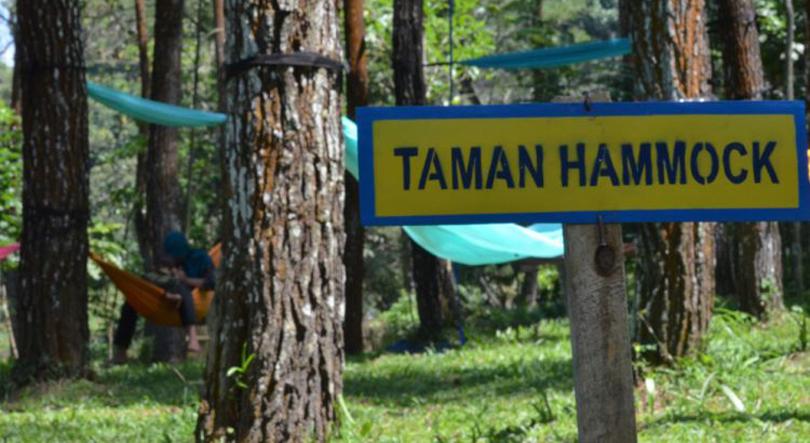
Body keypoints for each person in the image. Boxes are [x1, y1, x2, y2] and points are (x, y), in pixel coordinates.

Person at [112, 231, 215, 363]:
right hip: (166, 297)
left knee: (182, 287)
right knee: (131, 301)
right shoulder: (169, 261)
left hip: (192, 300)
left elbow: (212, 283)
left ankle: (193, 338)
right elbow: (160, 277)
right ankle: (121, 351)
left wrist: (186, 280)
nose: (174, 259)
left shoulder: (201, 258)